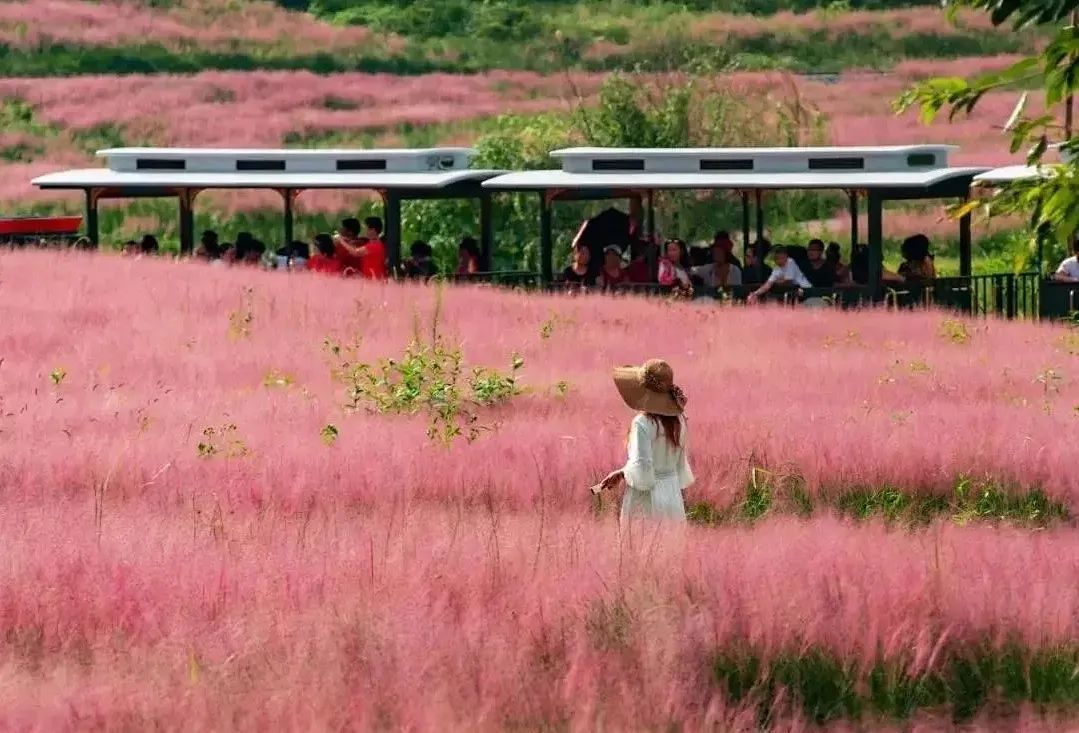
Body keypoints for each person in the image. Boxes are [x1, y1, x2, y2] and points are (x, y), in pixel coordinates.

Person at [593, 359, 693, 522]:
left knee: (643, 544)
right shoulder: (680, 420)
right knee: (671, 544)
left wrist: (622, 473)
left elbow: (642, 468)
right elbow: (677, 462)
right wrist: (622, 473)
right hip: (672, 493)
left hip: (648, 497)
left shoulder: (642, 423)